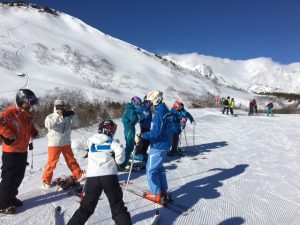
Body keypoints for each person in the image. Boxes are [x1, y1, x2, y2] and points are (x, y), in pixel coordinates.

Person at [67, 120, 132, 225]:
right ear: (110, 131)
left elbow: (74, 143)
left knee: (86, 207)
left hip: (93, 177)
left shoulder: (90, 140)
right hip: (109, 176)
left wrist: (84, 153)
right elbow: (120, 154)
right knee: (117, 206)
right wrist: (118, 160)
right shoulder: (113, 142)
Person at [0, 89, 39, 214]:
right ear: (20, 101)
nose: (30, 106)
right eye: (28, 103)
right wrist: (8, 134)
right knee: (9, 177)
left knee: (19, 176)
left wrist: (34, 131)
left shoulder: (27, 114)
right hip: (11, 151)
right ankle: (2, 204)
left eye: (31, 104)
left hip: (22, 150)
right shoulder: (10, 113)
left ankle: (10, 196)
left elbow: (29, 125)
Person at [135, 90, 173, 204]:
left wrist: (142, 135)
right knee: (159, 168)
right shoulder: (165, 109)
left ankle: (156, 194)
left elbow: (156, 132)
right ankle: (163, 191)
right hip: (165, 143)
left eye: (150, 102)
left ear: (155, 100)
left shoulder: (160, 112)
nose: (149, 105)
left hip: (158, 145)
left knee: (150, 170)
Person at [42, 99, 85, 188]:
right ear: (55, 107)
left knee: (71, 160)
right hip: (54, 143)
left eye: (62, 107)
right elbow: (48, 125)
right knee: (52, 163)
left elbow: (76, 124)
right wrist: (58, 115)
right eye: (58, 107)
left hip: (66, 143)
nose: (61, 109)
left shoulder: (68, 116)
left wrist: (73, 115)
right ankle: (46, 181)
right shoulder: (50, 116)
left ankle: (78, 175)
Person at [119, 96, 141, 171]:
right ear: (134, 102)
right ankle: (123, 165)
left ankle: (124, 162)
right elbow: (134, 118)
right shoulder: (130, 109)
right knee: (129, 147)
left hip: (130, 128)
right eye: (138, 103)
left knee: (130, 146)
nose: (138, 105)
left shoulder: (130, 108)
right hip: (129, 128)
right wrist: (139, 117)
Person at [133, 96, 153, 166]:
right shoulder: (142, 107)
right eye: (150, 102)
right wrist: (139, 118)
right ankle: (137, 154)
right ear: (146, 101)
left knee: (147, 141)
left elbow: (150, 118)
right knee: (142, 141)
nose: (151, 103)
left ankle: (143, 153)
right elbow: (135, 112)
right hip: (143, 127)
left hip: (148, 127)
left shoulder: (149, 109)